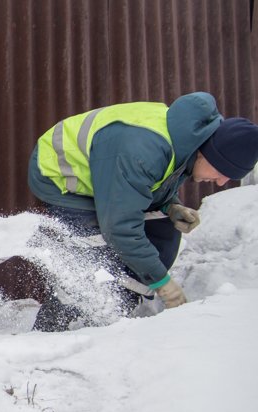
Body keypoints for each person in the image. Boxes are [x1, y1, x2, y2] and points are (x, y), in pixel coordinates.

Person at [27, 91, 258, 331]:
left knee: (163, 230)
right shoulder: (145, 151)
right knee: (93, 255)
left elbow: (149, 184)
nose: (221, 182)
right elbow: (120, 228)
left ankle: (119, 310)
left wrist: (170, 206)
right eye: (223, 172)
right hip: (60, 174)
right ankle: (50, 330)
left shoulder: (190, 143)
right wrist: (163, 284)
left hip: (109, 171)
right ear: (210, 155)